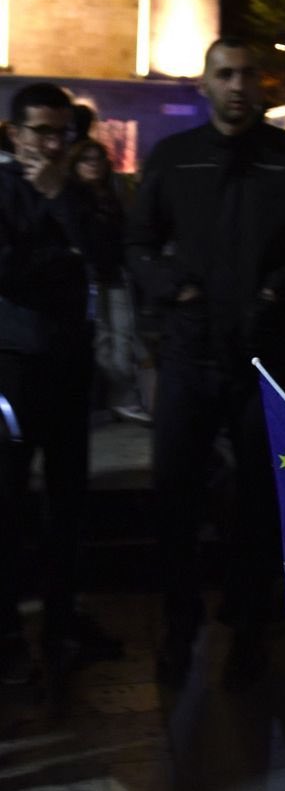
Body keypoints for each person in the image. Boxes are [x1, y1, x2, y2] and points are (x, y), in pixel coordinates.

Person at [126, 37, 285, 687]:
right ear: (205, 85)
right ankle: (180, 619)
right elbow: (136, 242)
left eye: (247, 74)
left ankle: (247, 626)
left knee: (260, 500)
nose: (237, 84)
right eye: (225, 74)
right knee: (173, 492)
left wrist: (277, 293)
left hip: (266, 355)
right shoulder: (174, 157)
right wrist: (171, 288)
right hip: (191, 351)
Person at [0, 82, 121, 684]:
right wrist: (58, 251)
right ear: (15, 133)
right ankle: (9, 634)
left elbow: (104, 257)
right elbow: (11, 274)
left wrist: (58, 204)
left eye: (61, 134)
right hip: (13, 369)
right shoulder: (2, 190)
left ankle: (61, 622)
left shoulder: (75, 192)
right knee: (8, 501)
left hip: (71, 368)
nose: (51, 146)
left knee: (69, 503)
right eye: (40, 133)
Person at [68, 138, 151, 425]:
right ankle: (117, 400)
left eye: (98, 159)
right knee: (101, 341)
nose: (94, 165)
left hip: (116, 274)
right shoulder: (71, 197)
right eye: (86, 159)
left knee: (124, 337)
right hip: (90, 277)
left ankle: (124, 400)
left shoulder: (113, 194)